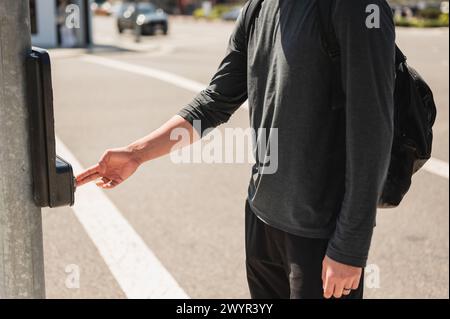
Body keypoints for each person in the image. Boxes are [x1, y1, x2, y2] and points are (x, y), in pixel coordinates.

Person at [76, 0, 396, 299]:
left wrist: (350, 246)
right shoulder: (258, 7)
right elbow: (216, 101)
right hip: (262, 221)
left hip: (319, 234)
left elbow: (371, 131)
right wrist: (137, 153)